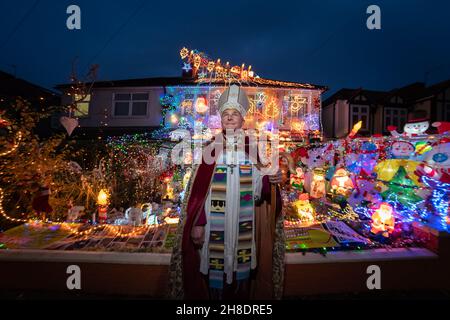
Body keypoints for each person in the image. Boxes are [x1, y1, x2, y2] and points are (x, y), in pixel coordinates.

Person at [168, 84, 285, 300]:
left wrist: (272, 180)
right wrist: (198, 223)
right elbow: (198, 192)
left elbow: (260, 186)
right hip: (214, 222)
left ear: (242, 119)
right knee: (214, 275)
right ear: (221, 120)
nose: (230, 118)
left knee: (241, 276)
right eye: (226, 115)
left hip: (243, 222)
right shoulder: (210, 149)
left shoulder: (253, 148)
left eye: (235, 114)